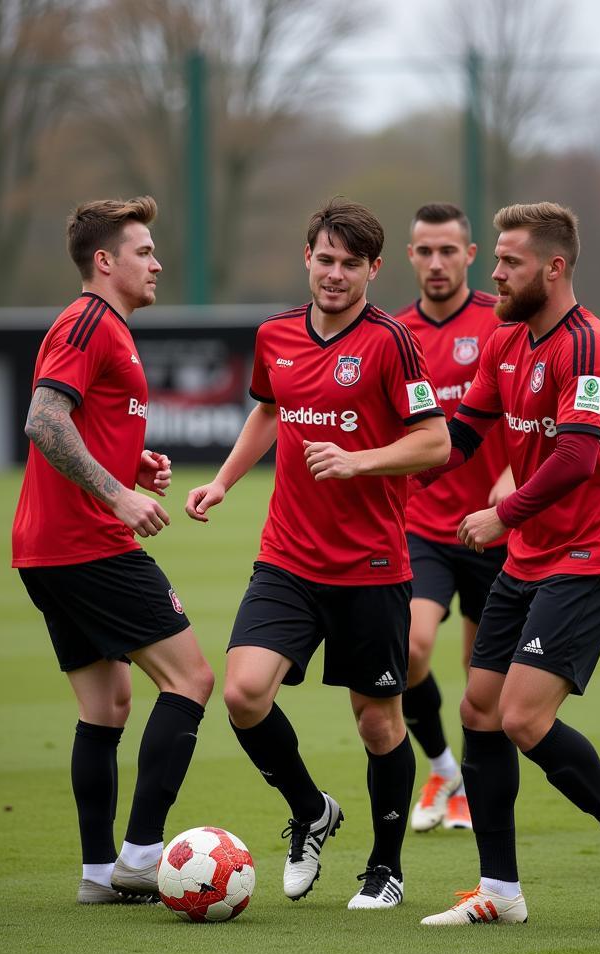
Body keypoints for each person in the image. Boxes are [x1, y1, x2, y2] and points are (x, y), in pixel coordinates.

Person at [186, 198, 449, 910]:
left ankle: (386, 867)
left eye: (351, 264)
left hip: (372, 567)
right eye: (325, 259)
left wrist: (360, 461)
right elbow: (270, 410)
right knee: (242, 694)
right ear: (308, 257)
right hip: (288, 559)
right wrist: (223, 481)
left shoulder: (393, 342)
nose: (335, 275)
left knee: (377, 721)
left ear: (373, 269)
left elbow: (436, 441)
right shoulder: (274, 335)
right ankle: (311, 811)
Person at [419, 202, 600, 932]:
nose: (493, 276)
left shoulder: (588, 346)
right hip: (531, 558)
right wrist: (381, 473)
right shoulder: (507, 343)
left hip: (597, 553)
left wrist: (503, 515)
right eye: (495, 261)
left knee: (523, 716)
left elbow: (578, 455)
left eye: (509, 263)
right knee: (479, 711)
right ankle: (500, 889)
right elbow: (462, 435)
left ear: (555, 268)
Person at [11, 196, 214, 904]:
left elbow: (78, 425)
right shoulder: (89, 321)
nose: (157, 263)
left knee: (107, 706)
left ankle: (101, 874)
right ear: (106, 261)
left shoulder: (109, 329)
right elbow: (43, 419)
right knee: (190, 680)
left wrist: (132, 469)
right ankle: (141, 853)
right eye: (145, 251)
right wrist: (118, 496)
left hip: (48, 549)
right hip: (86, 545)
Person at [397, 203, 513, 833]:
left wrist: (515, 473)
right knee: (411, 648)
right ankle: (443, 767)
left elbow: (534, 411)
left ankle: (467, 786)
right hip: (423, 524)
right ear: (411, 257)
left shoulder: (502, 322)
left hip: (495, 527)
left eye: (449, 250)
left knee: (481, 682)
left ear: (471, 256)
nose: (436, 262)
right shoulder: (395, 334)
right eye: (425, 251)